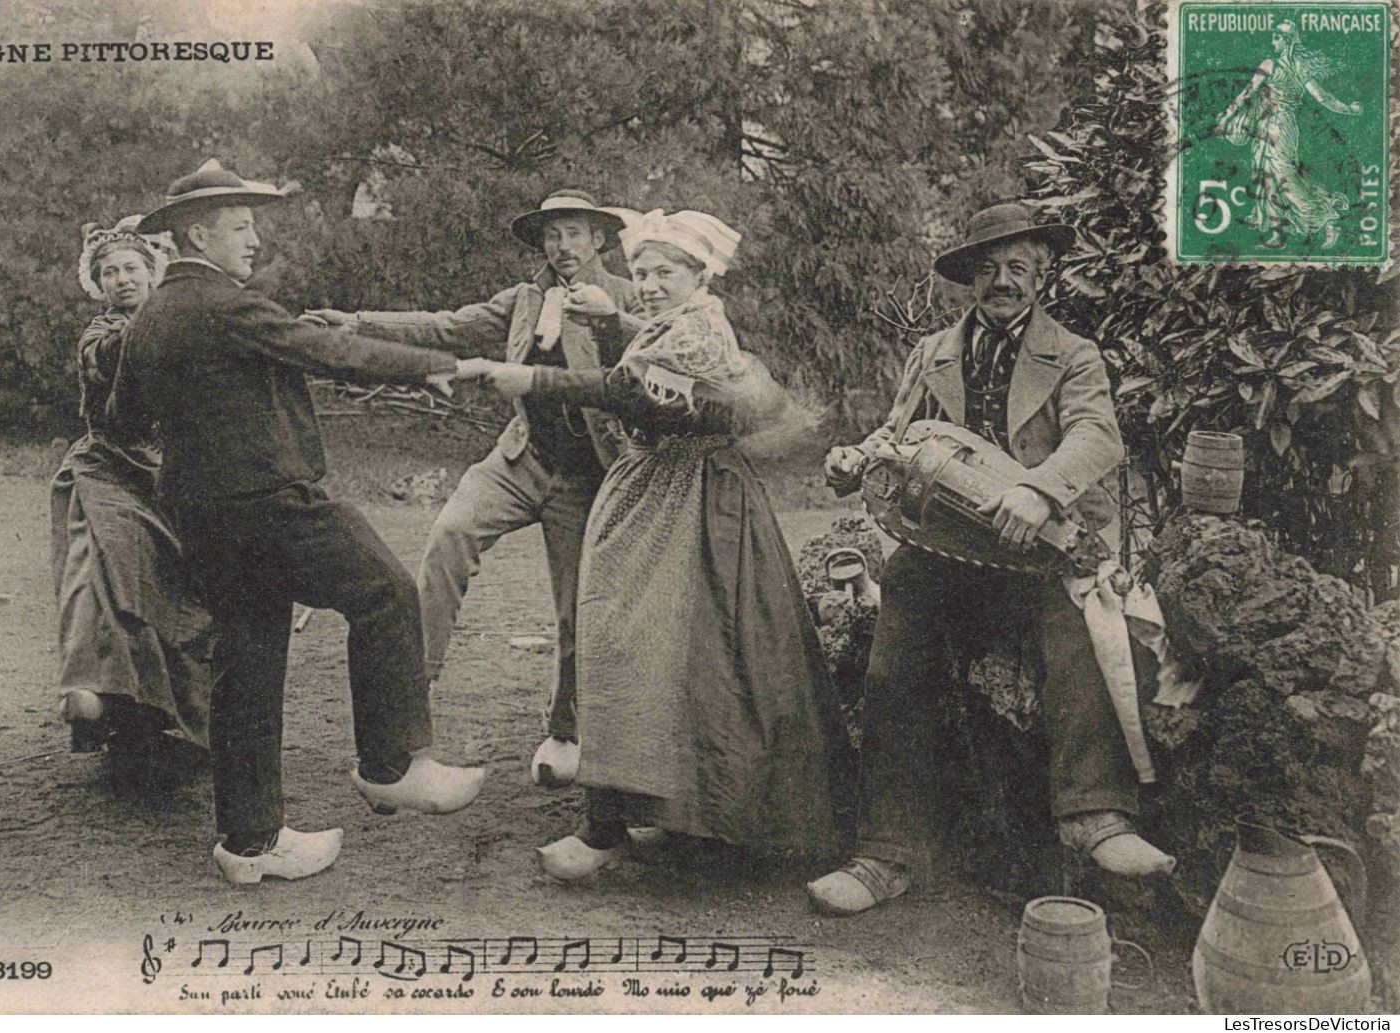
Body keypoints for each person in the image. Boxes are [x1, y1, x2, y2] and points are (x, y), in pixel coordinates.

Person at [115, 160, 487, 885]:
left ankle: (251, 842)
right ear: (200, 233)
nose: (254, 239)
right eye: (242, 225)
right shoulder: (222, 303)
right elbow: (328, 352)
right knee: (384, 591)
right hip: (267, 501)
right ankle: (390, 766)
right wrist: (429, 364)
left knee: (248, 663)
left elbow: (119, 420)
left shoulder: (153, 315)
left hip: (202, 511)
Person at [812, 202, 1174, 917]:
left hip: (1034, 548)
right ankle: (886, 852)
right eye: (988, 270)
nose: (1002, 281)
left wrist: (1039, 490)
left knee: (1077, 635)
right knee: (893, 660)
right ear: (967, 280)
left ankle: (1095, 816)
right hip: (940, 544)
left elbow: (1098, 437)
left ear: (1041, 275)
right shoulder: (932, 352)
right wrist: (856, 458)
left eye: (1017, 267)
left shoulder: (1071, 354)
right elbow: (898, 430)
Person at [476, 209, 852, 881]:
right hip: (655, 489)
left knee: (665, 650)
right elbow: (647, 353)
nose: (646, 283)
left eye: (664, 272)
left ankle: (640, 824)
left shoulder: (702, 329)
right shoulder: (675, 322)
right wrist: (611, 320)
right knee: (640, 651)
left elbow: (633, 393)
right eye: (640, 271)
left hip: (696, 502)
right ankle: (642, 814)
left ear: (700, 275)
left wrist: (532, 378)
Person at [311, 190, 639, 789]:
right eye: (551, 236)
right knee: (448, 534)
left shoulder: (624, 300)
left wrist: (611, 324)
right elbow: (448, 325)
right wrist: (356, 322)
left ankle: (566, 731)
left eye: (573, 234)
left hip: (588, 479)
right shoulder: (525, 299)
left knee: (575, 609)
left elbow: (643, 373)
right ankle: (414, 696)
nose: (562, 248)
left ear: (599, 239)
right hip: (520, 459)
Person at [51, 216, 213, 756]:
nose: (122, 279)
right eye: (110, 273)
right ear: (98, 286)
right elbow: (109, 358)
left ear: (152, 272)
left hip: (171, 473)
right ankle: (99, 696)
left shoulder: (179, 325)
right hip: (108, 471)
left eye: (131, 268)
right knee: (108, 574)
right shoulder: (103, 334)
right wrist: (162, 321)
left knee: (183, 582)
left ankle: (176, 711)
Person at [1216, 20, 1362, 249]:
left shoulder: (1271, 64)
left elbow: (1246, 93)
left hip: (1275, 125)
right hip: (1280, 125)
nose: (1273, 41)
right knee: (1268, 177)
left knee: (1282, 177)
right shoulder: (1298, 67)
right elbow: (1323, 98)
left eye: (1277, 37)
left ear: (1288, 41)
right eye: (1273, 36)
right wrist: (1349, 109)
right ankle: (1277, 232)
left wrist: (1226, 117)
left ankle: (1325, 217)